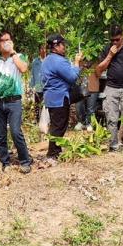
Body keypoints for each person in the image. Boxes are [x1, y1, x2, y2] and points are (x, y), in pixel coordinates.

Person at [0, 30, 33, 173]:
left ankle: (25, 161)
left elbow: (23, 69)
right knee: (0, 134)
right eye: (2, 40)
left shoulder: (19, 57)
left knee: (16, 131)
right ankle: (5, 163)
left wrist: (12, 52)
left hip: (14, 101)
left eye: (8, 40)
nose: (5, 42)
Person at [39, 35, 83, 164]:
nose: (65, 47)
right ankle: (52, 154)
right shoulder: (59, 61)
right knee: (58, 127)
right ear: (56, 46)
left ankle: (55, 152)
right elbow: (72, 77)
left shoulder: (47, 60)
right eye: (63, 45)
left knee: (56, 125)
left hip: (51, 98)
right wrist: (76, 63)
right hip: (59, 98)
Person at [30, 42, 47, 123]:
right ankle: (37, 119)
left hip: (47, 87)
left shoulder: (49, 61)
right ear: (39, 50)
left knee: (46, 104)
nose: (43, 50)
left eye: (45, 48)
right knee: (37, 104)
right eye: (41, 48)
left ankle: (46, 121)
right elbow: (32, 74)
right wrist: (32, 86)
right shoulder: (35, 62)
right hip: (38, 86)